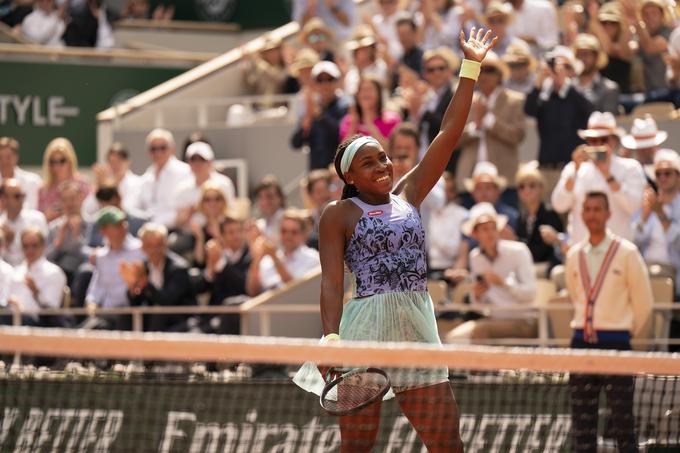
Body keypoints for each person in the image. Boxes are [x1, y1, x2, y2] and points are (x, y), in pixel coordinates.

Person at [293, 28, 497, 452]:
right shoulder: (337, 215)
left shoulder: (409, 194)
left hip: (417, 329)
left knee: (448, 446)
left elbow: (448, 134)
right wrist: (331, 340)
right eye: (368, 163)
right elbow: (331, 283)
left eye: (383, 157)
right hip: (363, 335)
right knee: (359, 448)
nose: (382, 166)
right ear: (349, 176)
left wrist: (470, 67)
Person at [565, 191, 653, 452]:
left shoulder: (627, 253)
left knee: (623, 427)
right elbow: (575, 296)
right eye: (588, 209)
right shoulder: (574, 254)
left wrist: (623, 333)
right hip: (580, 344)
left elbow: (644, 303)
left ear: (608, 214)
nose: (592, 214)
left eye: (597, 209)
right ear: (582, 215)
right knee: (583, 428)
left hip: (617, 347)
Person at [444, 202, 537, 342]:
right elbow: (481, 307)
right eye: (485, 229)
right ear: (475, 234)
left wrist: (504, 284)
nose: (491, 233)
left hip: (524, 321)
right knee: (452, 338)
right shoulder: (475, 257)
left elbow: (531, 294)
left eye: (493, 228)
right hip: (493, 320)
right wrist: (477, 295)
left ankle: (488, 364)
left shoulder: (519, 250)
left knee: (480, 330)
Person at [552, 111, 647, 244]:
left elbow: (633, 206)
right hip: (582, 251)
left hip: (617, 252)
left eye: (604, 140)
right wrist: (574, 170)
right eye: (593, 140)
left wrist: (607, 175)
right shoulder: (574, 168)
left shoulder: (630, 167)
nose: (598, 144)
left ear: (614, 141)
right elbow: (559, 205)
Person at [456, 50, 526, 197]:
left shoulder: (514, 101)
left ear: (499, 74)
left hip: (504, 179)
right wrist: (475, 127)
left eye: (490, 70)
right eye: (480, 70)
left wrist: (489, 120)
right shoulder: (466, 100)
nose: (484, 75)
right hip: (470, 181)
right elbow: (454, 139)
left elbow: (518, 135)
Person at [525, 47, 594, 194]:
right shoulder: (544, 96)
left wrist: (564, 84)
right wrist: (538, 82)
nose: (558, 70)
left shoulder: (577, 92)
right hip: (547, 169)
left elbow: (590, 109)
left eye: (566, 66)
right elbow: (529, 110)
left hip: (574, 167)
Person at [121, 223, 195, 332]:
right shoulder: (144, 267)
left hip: (180, 318)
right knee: (126, 315)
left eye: (158, 245)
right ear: (143, 248)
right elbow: (135, 303)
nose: (154, 251)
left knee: (159, 314)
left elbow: (166, 302)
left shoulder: (178, 268)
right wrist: (133, 287)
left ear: (165, 245)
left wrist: (145, 282)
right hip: (154, 319)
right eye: (150, 246)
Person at [84, 207, 144, 330]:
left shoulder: (141, 249)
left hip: (132, 313)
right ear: (104, 231)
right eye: (116, 225)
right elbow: (97, 287)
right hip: (106, 316)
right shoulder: (100, 256)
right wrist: (92, 303)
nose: (123, 227)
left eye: (123, 223)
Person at [290, 61, 350, 170]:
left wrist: (319, 114)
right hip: (316, 175)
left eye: (329, 79)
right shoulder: (310, 108)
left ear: (337, 82)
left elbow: (340, 134)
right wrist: (308, 119)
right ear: (314, 85)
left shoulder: (346, 105)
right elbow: (296, 143)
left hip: (339, 173)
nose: (325, 85)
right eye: (320, 80)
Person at [246, 209, 320, 296]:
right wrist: (257, 259)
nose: (288, 236)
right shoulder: (269, 258)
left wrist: (275, 259)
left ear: (303, 235)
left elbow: (296, 290)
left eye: (294, 232)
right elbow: (252, 291)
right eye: (284, 231)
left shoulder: (313, 258)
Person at [6, 227, 68, 328]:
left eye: (34, 246)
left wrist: (36, 292)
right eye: (25, 246)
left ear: (43, 246)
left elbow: (51, 310)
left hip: (37, 323)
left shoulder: (53, 272)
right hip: (11, 318)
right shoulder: (16, 271)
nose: (30, 250)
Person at [514, 161, 564, 273]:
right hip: (528, 269)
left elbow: (541, 252)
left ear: (541, 188)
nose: (527, 190)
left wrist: (514, 240)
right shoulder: (521, 218)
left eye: (532, 185)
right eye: (522, 186)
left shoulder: (550, 214)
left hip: (547, 268)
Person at [137, 128, 192, 228]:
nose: (158, 153)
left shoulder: (185, 172)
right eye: (153, 149)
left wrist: (158, 225)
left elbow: (185, 212)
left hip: (175, 229)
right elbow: (140, 207)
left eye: (162, 148)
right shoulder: (146, 178)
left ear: (172, 149)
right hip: (148, 230)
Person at [38, 137, 91, 222]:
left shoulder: (82, 184)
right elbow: (38, 220)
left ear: (70, 160)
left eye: (62, 161)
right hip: (52, 232)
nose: (57, 166)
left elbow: (90, 211)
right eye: (52, 161)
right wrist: (46, 216)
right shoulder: (44, 189)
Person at [339, 77, 401, 149]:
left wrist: (369, 124)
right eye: (363, 90)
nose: (366, 94)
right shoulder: (348, 121)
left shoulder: (392, 119)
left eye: (370, 90)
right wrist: (353, 125)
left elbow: (390, 150)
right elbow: (343, 152)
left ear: (379, 94)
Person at [46, 181, 86, 284]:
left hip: (80, 273)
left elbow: (90, 255)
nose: (69, 204)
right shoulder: (53, 227)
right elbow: (46, 257)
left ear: (81, 198)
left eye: (72, 198)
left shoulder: (91, 224)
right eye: (64, 200)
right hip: (58, 273)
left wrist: (76, 236)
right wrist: (58, 242)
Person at [1, 179, 48, 266]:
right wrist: (6, 244)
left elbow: (44, 251)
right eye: (17, 196)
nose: (21, 199)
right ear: (3, 199)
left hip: (35, 272)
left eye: (23, 195)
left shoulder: (37, 218)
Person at [572, 33, 620, 114]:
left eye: (586, 54)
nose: (582, 59)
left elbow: (606, 121)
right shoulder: (568, 86)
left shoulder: (609, 89)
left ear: (596, 57)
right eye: (578, 54)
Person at [0, 137, 42, 211]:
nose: (4, 161)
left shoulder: (33, 182)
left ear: (16, 157)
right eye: (0, 157)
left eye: (8, 157)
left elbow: (34, 210)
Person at [292, 0, 357, 42]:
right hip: (317, 45)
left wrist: (333, 7)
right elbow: (301, 25)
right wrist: (310, 8)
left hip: (340, 40)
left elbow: (349, 22)